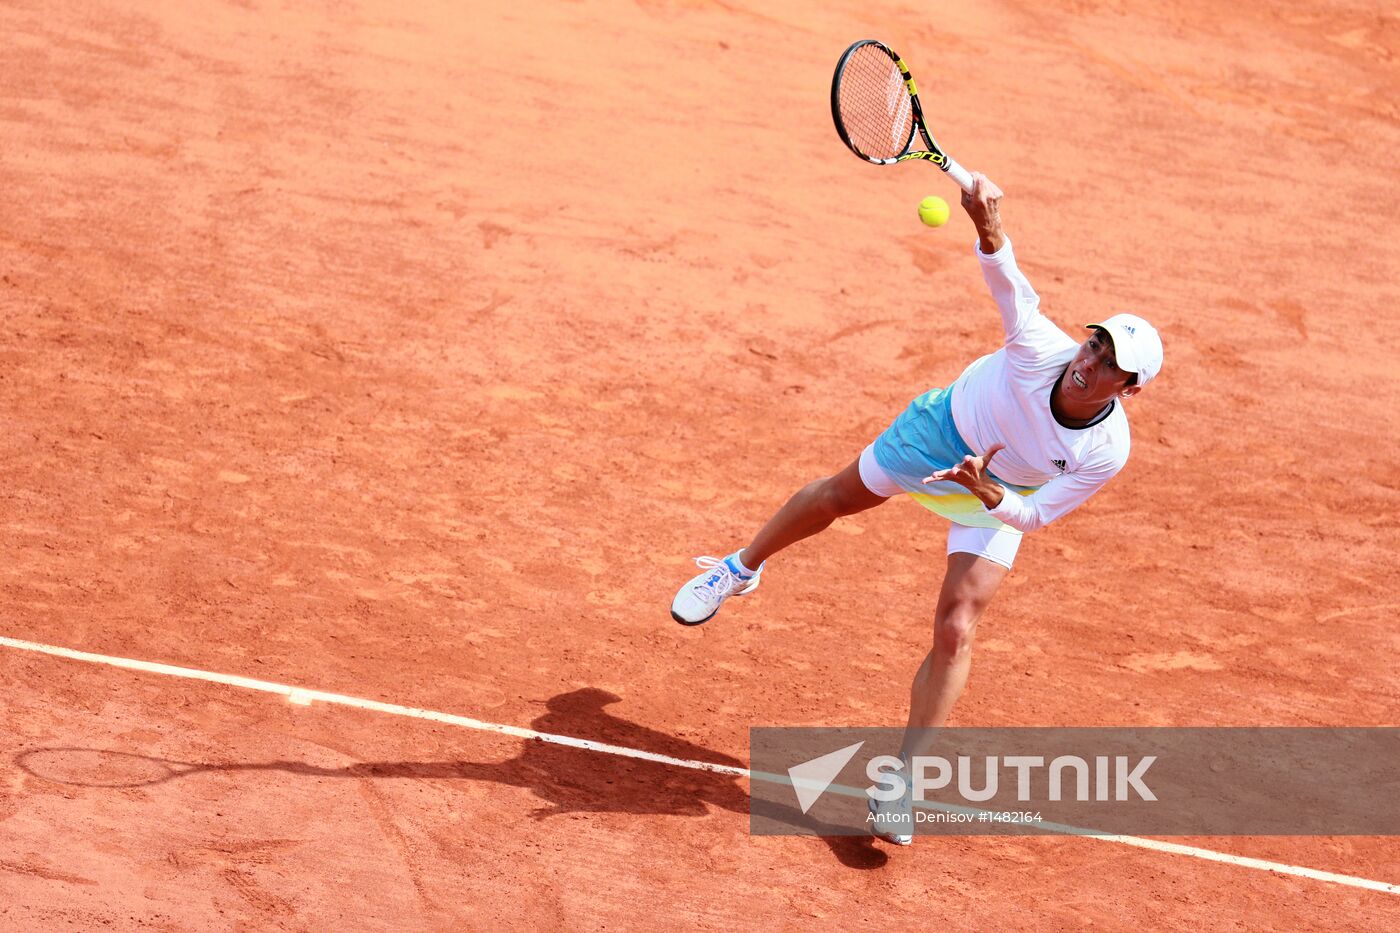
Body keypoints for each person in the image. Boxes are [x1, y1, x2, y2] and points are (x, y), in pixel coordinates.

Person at [669, 173, 1165, 846]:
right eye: (1094, 343)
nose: (1090, 361)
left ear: (1129, 389)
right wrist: (986, 221)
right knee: (838, 497)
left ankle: (900, 781)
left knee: (958, 626)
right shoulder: (1037, 348)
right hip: (938, 436)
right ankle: (738, 568)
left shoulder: (1107, 450)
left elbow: (1038, 516)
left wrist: (992, 496)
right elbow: (1005, 273)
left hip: (998, 492)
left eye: (1110, 364)